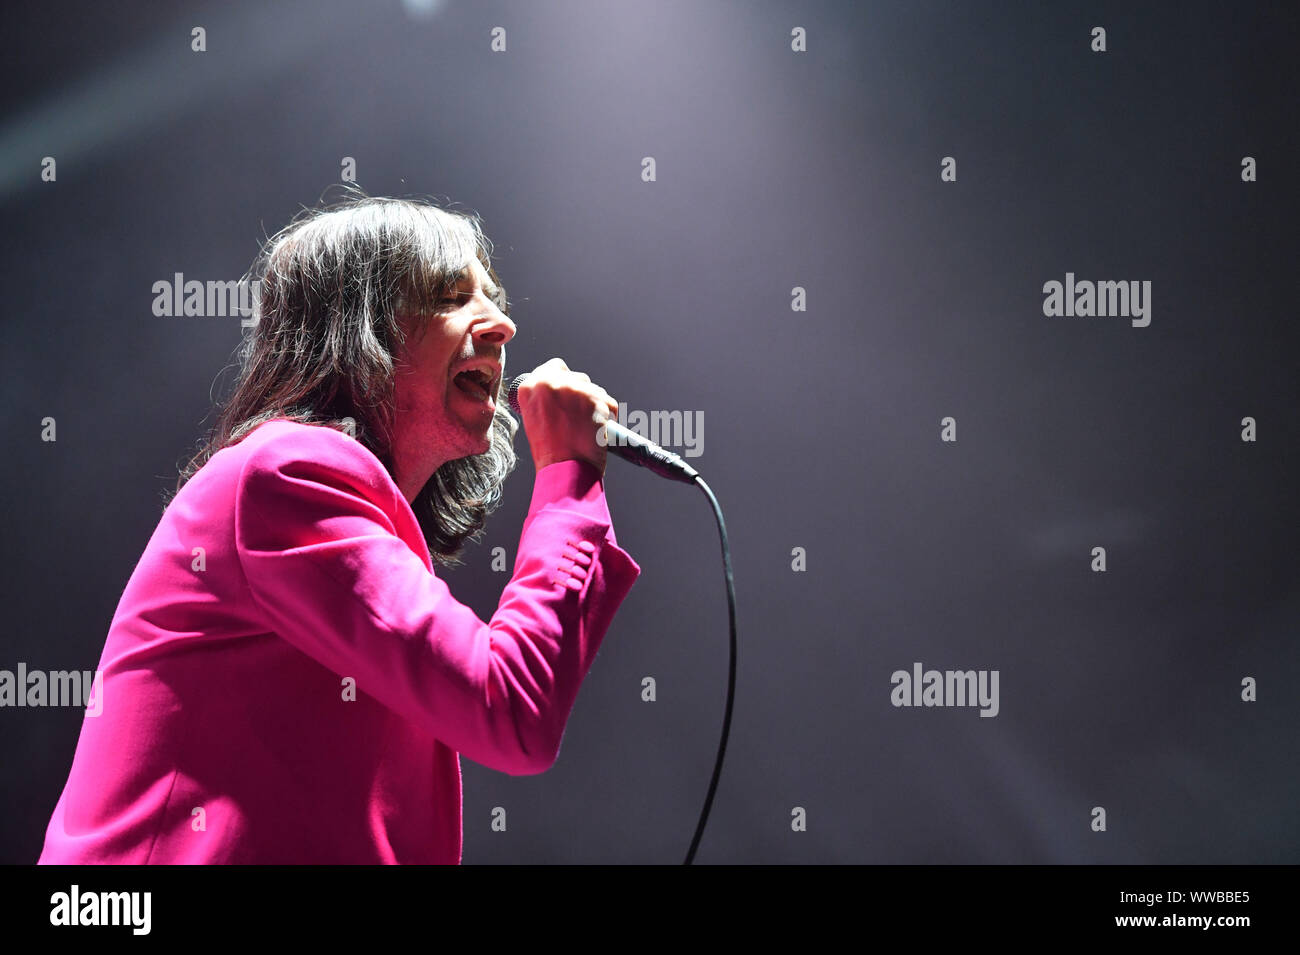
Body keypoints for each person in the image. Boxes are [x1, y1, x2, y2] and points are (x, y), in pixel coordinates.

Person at [37, 193, 640, 864]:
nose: (501, 323)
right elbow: (511, 709)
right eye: (451, 296)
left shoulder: (332, 501)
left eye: (492, 296)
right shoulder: (284, 474)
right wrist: (567, 480)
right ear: (362, 330)